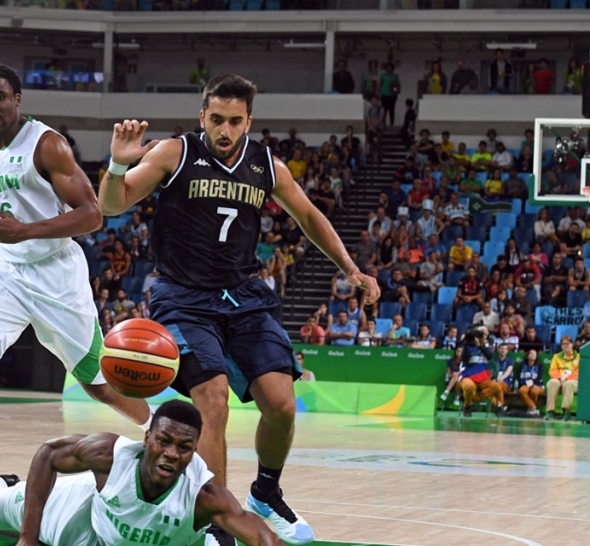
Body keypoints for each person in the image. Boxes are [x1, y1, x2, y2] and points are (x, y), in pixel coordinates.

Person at [96, 73, 380, 545]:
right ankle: (215, 524)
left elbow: (309, 216)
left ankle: (264, 495)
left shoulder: (266, 164)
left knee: (283, 405)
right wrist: (115, 166)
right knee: (212, 401)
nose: (224, 130)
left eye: (234, 121)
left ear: (249, 121)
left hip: (242, 296)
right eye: (216, 119)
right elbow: (113, 206)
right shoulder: (174, 152)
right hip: (183, 297)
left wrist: (351, 269)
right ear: (201, 116)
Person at [0, 64, 151, 528]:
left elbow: (92, 215)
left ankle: (157, 429)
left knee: (97, 382)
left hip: (55, 272)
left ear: (17, 99)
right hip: (3, 270)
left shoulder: (47, 144)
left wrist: (26, 233)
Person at [0, 400, 284, 546]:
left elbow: (260, 534)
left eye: (183, 448)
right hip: (82, 519)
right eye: (163, 441)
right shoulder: (110, 455)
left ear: (193, 452)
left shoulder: (204, 496)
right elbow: (48, 454)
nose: (171, 454)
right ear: (147, 438)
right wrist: (27, 538)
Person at [457, 327, 504, 417]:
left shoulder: (487, 347)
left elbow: (490, 356)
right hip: (468, 376)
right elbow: (464, 359)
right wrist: (466, 343)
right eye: (481, 334)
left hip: (483, 378)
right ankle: (467, 407)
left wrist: (480, 346)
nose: (483, 336)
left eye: (485, 334)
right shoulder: (468, 346)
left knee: (497, 387)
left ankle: (470, 399)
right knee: (469, 386)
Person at [545, 336, 579, 421]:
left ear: (572, 345)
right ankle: (550, 411)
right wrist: (560, 378)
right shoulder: (556, 357)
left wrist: (567, 379)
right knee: (553, 382)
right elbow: (552, 370)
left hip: (573, 381)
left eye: (567, 344)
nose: (565, 346)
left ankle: (567, 411)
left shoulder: (578, 357)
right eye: (563, 344)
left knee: (568, 384)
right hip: (559, 379)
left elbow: (578, 372)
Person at [517, 349, 544, 418]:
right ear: (527, 355)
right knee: (522, 390)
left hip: (537, 385)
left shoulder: (539, 365)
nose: (533, 355)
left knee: (534, 392)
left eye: (535, 354)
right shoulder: (523, 364)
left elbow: (539, 377)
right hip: (525, 384)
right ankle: (533, 407)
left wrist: (534, 384)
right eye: (531, 354)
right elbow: (519, 376)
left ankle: (530, 408)